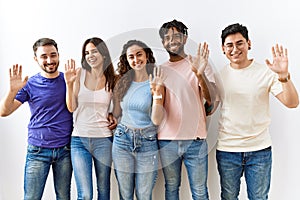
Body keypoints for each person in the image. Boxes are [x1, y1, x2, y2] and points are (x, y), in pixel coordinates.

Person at [216, 23, 299, 200]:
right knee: (228, 197)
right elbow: (209, 108)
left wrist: (284, 77)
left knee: (259, 198)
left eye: (240, 43)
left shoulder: (265, 72)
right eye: (229, 45)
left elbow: (292, 103)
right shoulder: (219, 76)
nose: (235, 49)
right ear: (223, 49)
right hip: (227, 149)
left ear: (249, 44)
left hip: (259, 150)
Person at [0, 38, 73, 200]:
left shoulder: (68, 80)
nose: (49, 60)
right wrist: (12, 91)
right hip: (38, 150)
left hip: (65, 150)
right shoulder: (30, 84)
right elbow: (4, 112)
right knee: (32, 197)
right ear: (36, 59)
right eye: (44, 56)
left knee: (63, 196)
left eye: (53, 55)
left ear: (58, 55)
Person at [157, 19, 216, 200]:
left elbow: (211, 100)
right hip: (167, 141)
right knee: (172, 188)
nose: (172, 40)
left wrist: (199, 74)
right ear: (163, 43)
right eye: (167, 38)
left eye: (176, 36)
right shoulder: (160, 70)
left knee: (199, 191)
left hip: (195, 141)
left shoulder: (199, 64)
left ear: (184, 38)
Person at [64, 37, 117, 200]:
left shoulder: (112, 79)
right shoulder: (79, 74)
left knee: (104, 190)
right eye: (87, 53)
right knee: (85, 194)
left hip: (104, 140)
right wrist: (69, 84)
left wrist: (113, 116)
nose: (90, 55)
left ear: (103, 54)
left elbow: (118, 108)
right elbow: (71, 107)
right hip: (79, 140)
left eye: (94, 51)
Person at [112, 39, 165, 200]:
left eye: (139, 54)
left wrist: (156, 94)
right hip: (122, 139)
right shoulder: (122, 81)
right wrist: (110, 117)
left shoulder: (155, 81)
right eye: (131, 57)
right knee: (125, 194)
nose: (136, 60)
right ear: (126, 60)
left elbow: (156, 120)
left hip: (147, 141)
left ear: (147, 55)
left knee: (144, 195)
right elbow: (116, 112)